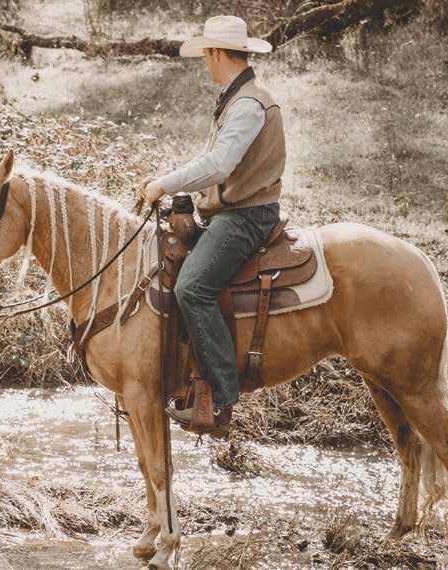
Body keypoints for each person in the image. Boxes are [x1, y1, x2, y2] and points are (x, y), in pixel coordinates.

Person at [137, 15, 286, 428]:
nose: (206, 63)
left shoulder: (248, 105)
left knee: (192, 286)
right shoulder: (236, 100)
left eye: (206, 55)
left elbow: (219, 165)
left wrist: (164, 184)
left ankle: (220, 398)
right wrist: (178, 188)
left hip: (246, 216)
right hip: (234, 211)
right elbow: (214, 163)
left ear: (218, 53)